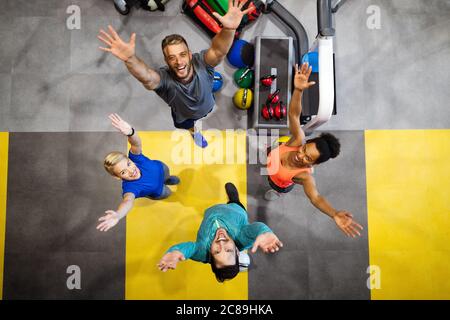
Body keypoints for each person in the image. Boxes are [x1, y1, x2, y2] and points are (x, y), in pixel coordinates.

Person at [98, 0, 253, 148]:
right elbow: (146, 76)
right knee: (190, 126)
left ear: (190, 55)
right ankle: (194, 133)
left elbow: (219, 50)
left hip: (208, 104)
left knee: (207, 104)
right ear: (166, 61)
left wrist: (229, 29)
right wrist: (130, 59)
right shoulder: (165, 81)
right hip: (185, 117)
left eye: (182, 55)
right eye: (172, 57)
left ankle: (201, 116)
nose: (179, 62)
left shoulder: (202, 64)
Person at [264, 63, 363, 238]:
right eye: (303, 150)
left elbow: (316, 198)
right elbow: (294, 115)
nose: (299, 155)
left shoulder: (305, 176)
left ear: (314, 164)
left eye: (308, 158)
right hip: (273, 155)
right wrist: (298, 91)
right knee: (270, 152)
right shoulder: (297, 140)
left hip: (277, 181)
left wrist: (334, 214)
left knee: (275, 188)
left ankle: (276, 193)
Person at [157, 183, 283, 282]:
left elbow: (188, 250)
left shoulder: (202, 251)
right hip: (234, 209)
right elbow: (256, 229)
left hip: (212, 212)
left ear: (210, 254)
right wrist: (264, 232)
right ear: (237, 251)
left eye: (217, 251)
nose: (221, 244)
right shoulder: (242, 238)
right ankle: (233, 198)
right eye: (228, 250)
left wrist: (175, 252)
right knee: (235, 202)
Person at [97, 113, 180, 232]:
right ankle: (167, 185)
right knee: (168, 193)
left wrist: (131, 132)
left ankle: (168, 179)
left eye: (129, 164)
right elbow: (127, 201)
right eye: (124, 172)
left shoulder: (136, 158)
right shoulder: (130, 188)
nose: (131, 171)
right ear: (117, 177)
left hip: (161, 168)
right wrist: (118, 215)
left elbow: (136, 143)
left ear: (130, 159)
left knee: (168, 177)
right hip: (158, 191)